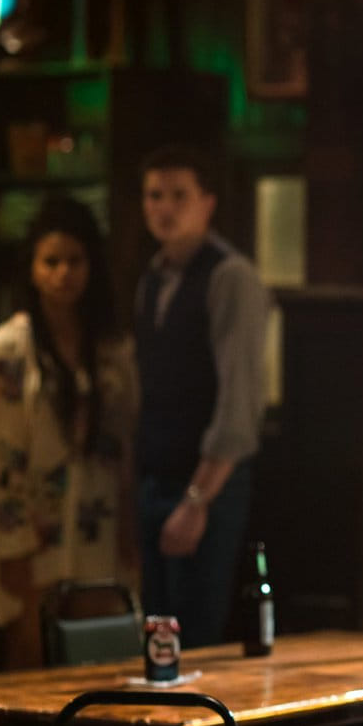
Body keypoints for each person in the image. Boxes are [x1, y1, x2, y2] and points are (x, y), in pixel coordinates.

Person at [0, 196, 138, 669]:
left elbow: (127, 442)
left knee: (105, 660)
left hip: (99, 520)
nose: (63, 273)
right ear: (32, 268)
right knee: (31, 658)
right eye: (51, 261)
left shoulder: (112, 347)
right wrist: (13, 543)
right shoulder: (8, 350)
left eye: (74, 261)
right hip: (33, 528)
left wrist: (130, 521)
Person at [134, 144, 268, 648]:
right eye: (154, 196)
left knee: (197, 637)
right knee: (156, 635)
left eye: (178, 196)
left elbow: (239, 400)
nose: (164, 208)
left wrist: (197, 499)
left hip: (206, 482)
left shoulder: (229, 276)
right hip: (155, 475)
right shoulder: (152, 277)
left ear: (207, 203)